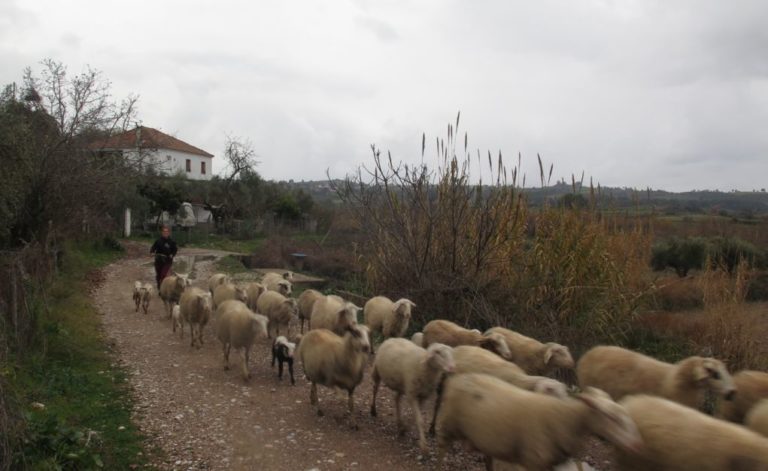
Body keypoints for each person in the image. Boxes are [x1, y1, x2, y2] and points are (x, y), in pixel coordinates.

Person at [150, 225, 178, 289]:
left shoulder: (172, 242)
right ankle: (159, 287)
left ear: (169, 233)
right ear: (162, 232)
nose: (165, 233)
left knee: (163, 275)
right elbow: (153, 247)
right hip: (158, 260)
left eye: (166, 231)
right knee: (158, 275)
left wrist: (172, 254)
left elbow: (175, 250)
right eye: (164, 231)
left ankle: (163, 289)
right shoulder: (158, 241)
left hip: (167, 261)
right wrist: (152, 252)